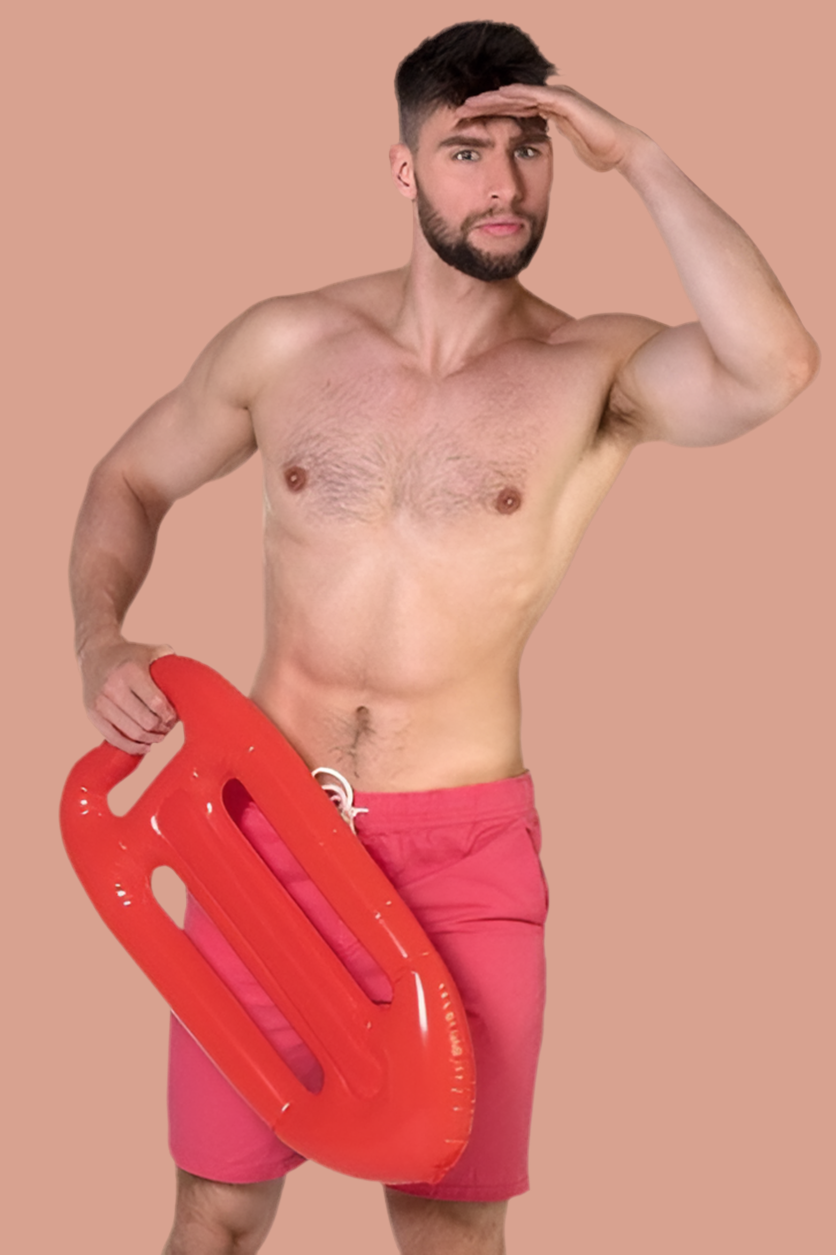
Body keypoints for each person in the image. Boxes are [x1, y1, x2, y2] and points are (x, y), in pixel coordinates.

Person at [69, 19, 819, 1255]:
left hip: (458, 858)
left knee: (451, 1230)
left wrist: (638, 159)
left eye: (529, 147)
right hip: (258, 836)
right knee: (214, 1216)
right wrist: (102, 642)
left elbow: (774, 364)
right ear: (403, 167)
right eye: (465, 151)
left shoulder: (592, 369)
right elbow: (127, 479)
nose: (503, 183)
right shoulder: (286, 342)